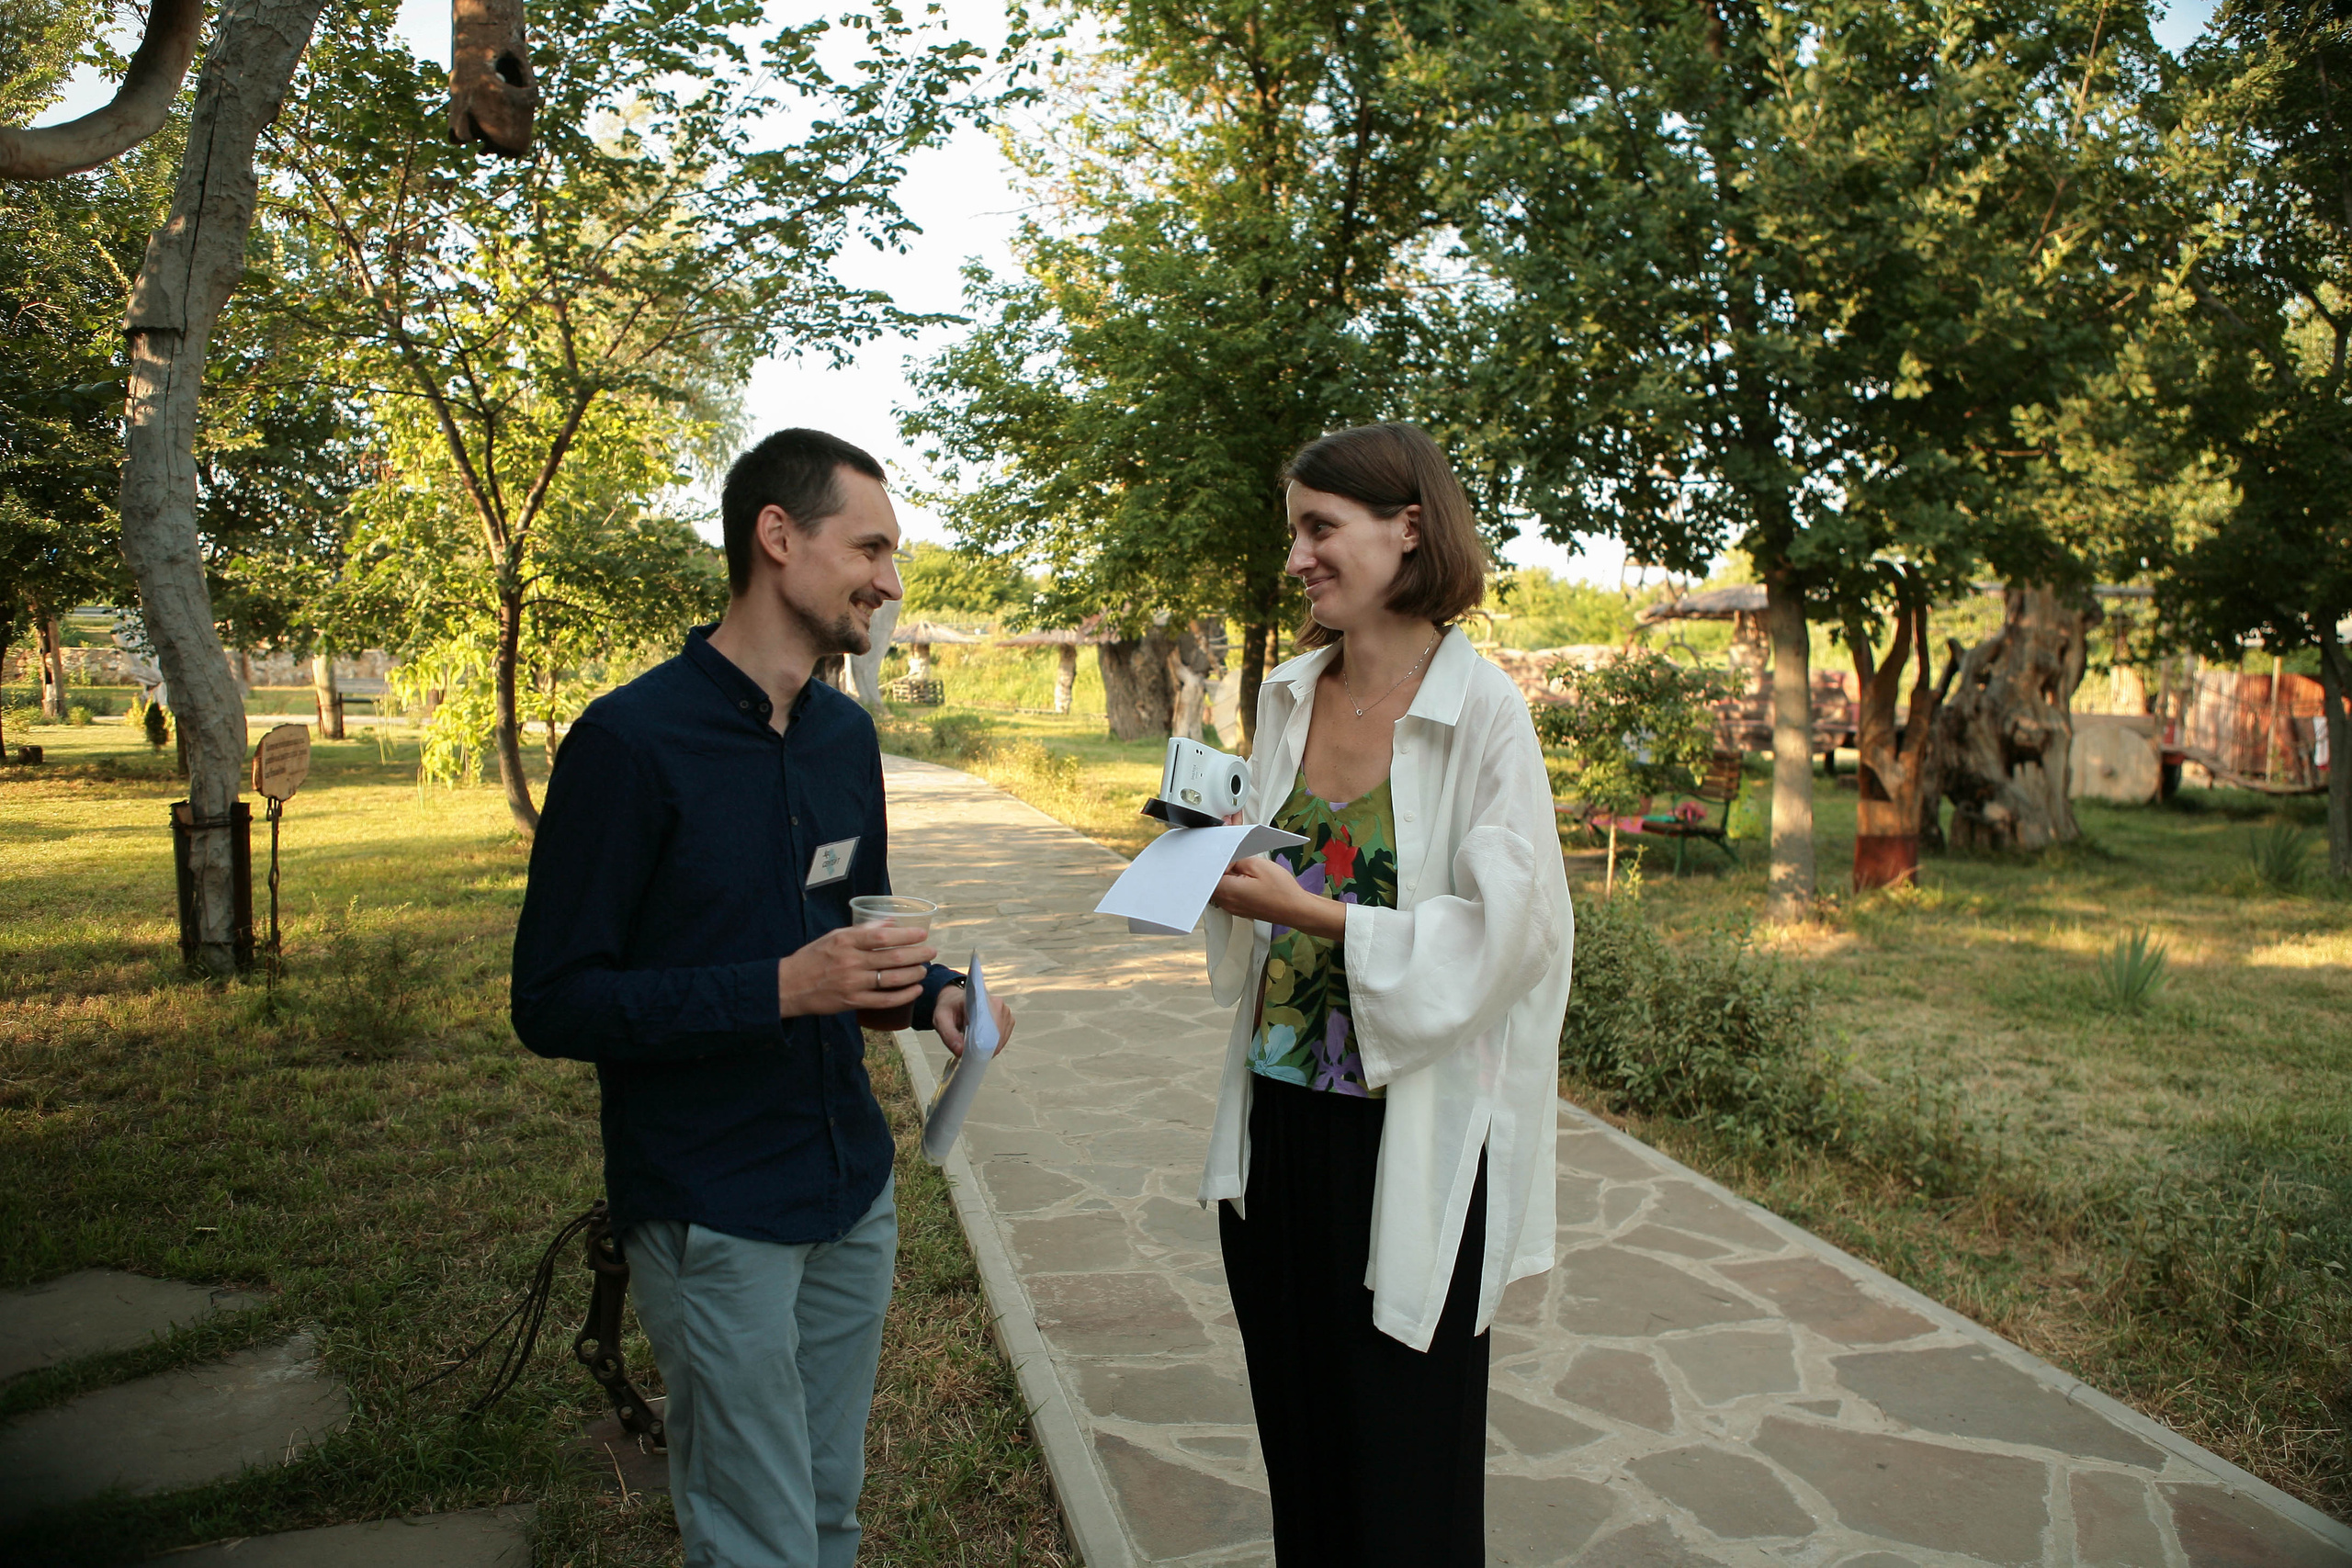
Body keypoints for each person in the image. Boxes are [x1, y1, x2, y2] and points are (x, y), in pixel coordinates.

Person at [510, 428, 1013, 1568]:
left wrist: (927, 993)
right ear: (775, 537)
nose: (890, 583)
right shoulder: (629, 742)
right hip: (711, 1204)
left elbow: (843, 941)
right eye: (871, 547)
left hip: (849, 1190)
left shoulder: (844, 736)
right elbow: (553, 1003)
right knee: (757, 1538)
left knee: (826, 1516)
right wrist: (779, 990)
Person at [1201, 422, 1572, 1566]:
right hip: (1277, 1121)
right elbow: (1261, 885)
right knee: (1301, 1446)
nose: (1299, 557)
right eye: (1294, 531)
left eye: (1322, 528)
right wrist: (1210, 861)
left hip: (1408, 1138)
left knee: (1402, 1467)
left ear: (1408, 529)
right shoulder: (1288, 694)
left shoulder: (1483, 712)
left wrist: (1310, 911)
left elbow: (1513, 934)